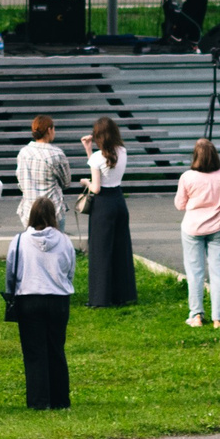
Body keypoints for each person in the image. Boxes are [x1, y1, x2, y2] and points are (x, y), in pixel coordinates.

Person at [5, 196, 77, 409]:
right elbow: (70, 269)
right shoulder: (64, 240)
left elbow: (11, 271)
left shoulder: (20, 241)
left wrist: (11, 293)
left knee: (34, 352)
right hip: (58, 299)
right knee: (56, 349)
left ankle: (38, 400)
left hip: (29, 297)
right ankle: (60, 399)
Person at [175, 138, 220, 328]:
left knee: (194, 272)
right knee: (218, 272)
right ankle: (219, 318)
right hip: (219, 226)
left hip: (192, 229)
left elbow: (180, 204)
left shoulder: (187, 177)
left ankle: (196, 315)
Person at [80, 116, 133, 307]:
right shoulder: (123, 151)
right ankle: (122, 294)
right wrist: (89, 151)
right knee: (120, 249)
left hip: (103, 205)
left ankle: (100, 298)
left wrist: (85, 182)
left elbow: (96, 187)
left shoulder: (97, 157)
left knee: (100, 251)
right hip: (118, 200)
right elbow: (105, 170)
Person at [14, 115, 68, 225]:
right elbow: (66, 182)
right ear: (49, 130)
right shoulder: (56, 154)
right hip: (53, 210)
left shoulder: (23, 153)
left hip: (29, 211)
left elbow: (20, 181)